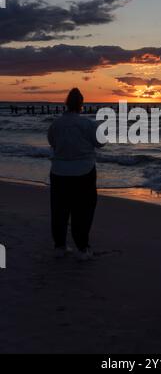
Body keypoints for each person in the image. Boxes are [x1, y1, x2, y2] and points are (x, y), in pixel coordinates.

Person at [47, 88, 102, 261]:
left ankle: (60, 246)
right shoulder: (87, 124)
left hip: (59, 171)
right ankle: (82, 247)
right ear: (81, 104)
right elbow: (100, 143)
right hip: (83, 171)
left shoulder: (56, 124)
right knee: (83, 210)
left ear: (66, 103)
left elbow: (52, 142)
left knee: (59, 209)